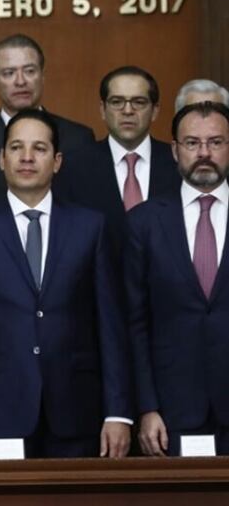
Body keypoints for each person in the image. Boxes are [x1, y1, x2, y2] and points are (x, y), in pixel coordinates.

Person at [0, 109, 132, 460]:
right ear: (1, 158)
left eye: (39, 149)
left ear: (57, 161)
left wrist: (118, 412)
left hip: (78, 413)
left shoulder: (91, 227)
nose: (27, 157)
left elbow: (111, 328)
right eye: (16, 148)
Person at [127, 101, 229, 456]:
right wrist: (147, 407)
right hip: (172, 411)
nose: (204, 153)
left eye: (215, 142)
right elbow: (135, 323)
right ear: (174, 150)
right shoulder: (143, 222)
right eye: (192, 143)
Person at [56, 67, 179, 256]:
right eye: (116, 102)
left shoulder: (178, 162)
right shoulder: (74, 166)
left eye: (139, 102)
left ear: (155, 111)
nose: (127, 111)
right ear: (102, 110)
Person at [0, 34, 94, 188]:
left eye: (30, 71)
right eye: (9, 73)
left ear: (42, 76)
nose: (20, 81)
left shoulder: (78, 138)